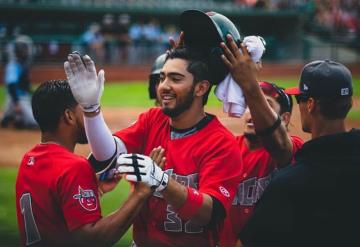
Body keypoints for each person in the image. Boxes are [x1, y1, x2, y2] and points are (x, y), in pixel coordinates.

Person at [64, 48, 243, 247]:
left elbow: (210, 214)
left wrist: (162, 181)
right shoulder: (153, 120)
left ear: (201, 88)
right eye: (162, 78)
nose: (163, 86)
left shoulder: (221, 143)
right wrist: (91, 110)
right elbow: (107, 155)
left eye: (175, 79)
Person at [15, 80, 155, 247]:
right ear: (69, 116)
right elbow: (92, 240)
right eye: (84, 110)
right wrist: (139, 194)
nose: (89, 119)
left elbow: (52, 211)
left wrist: (98, 189)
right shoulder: (74, 166)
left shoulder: (28, 160)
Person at [236, 59, 359, 247]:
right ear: (350, 102)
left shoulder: (292, 181)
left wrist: (250, 85)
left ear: (310, 104)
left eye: (300, 99)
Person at [216, 34, 304, 247]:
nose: (251, 112)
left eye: (263, 105)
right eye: (248, 105)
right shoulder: (226, 148)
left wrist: (249, 84)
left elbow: (280, 146)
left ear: (284, 118)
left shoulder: (292, 149)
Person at [1, 37, 37, 129]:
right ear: (19, 51)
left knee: (22, 121)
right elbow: (11, 84)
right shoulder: (14, 64)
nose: (27, 51)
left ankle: (14, 118)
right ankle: (11, 117)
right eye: (24, 49)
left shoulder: (22, 64)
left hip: (22, 98)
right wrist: (16, 103)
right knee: (35, 123)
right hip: (17, 99)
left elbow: (24, 85)